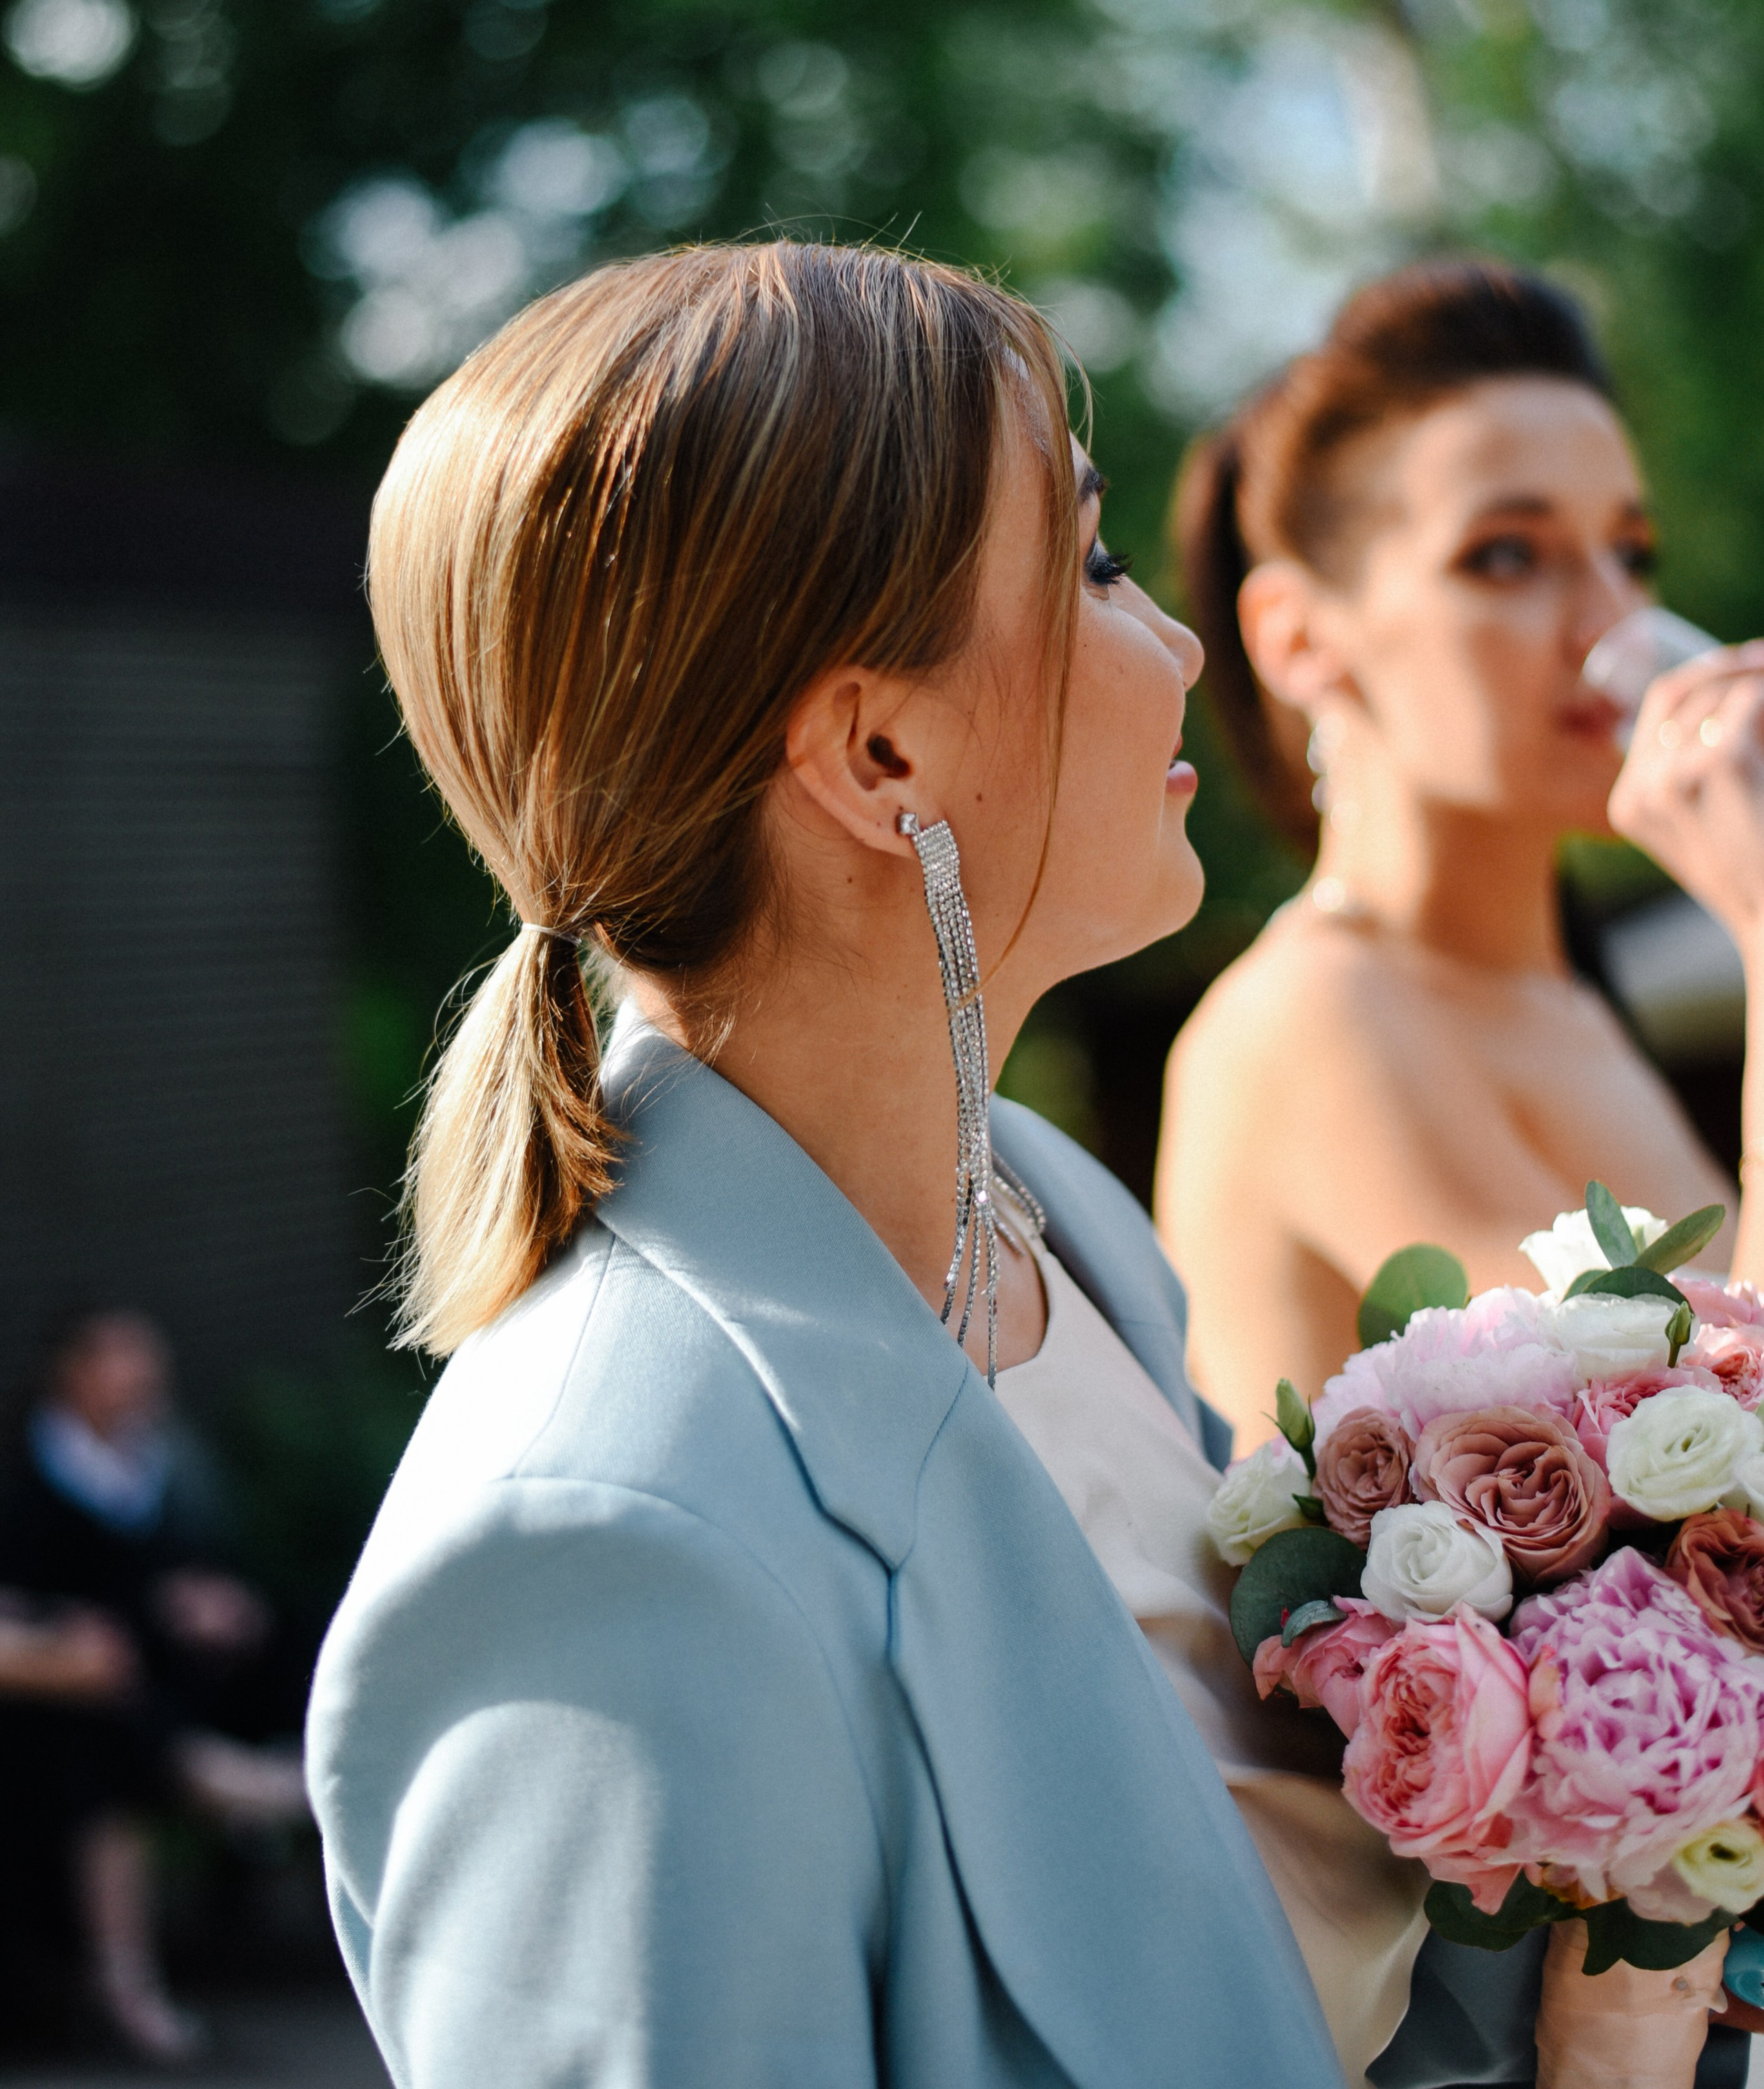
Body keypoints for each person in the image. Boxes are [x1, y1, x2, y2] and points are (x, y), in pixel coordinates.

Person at [307, 240, 1627, 2089]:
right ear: (879, 744)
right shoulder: (611, 1549)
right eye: (1089, 564)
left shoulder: (1055, 1221)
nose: (1174, 640)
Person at [1155, 260, 1760, 1441]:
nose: (1610, 626)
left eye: (1629, 555)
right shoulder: (1311, 1020)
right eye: (1507, 557)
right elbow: (1706, 1446)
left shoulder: (1570, 1008)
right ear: (1296, 636)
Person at [0, 1309, 307, 2063]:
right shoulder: (24, 1473)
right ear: (72, 1372)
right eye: (124, 1360)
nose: (146, 1377)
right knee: (94, 1749)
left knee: (286, 1630)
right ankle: (267, 1791)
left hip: (155, 1671)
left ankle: (271, 1783)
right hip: (68, 1700)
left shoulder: (164, 1461)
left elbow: (195, 1561)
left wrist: (207, 1597)